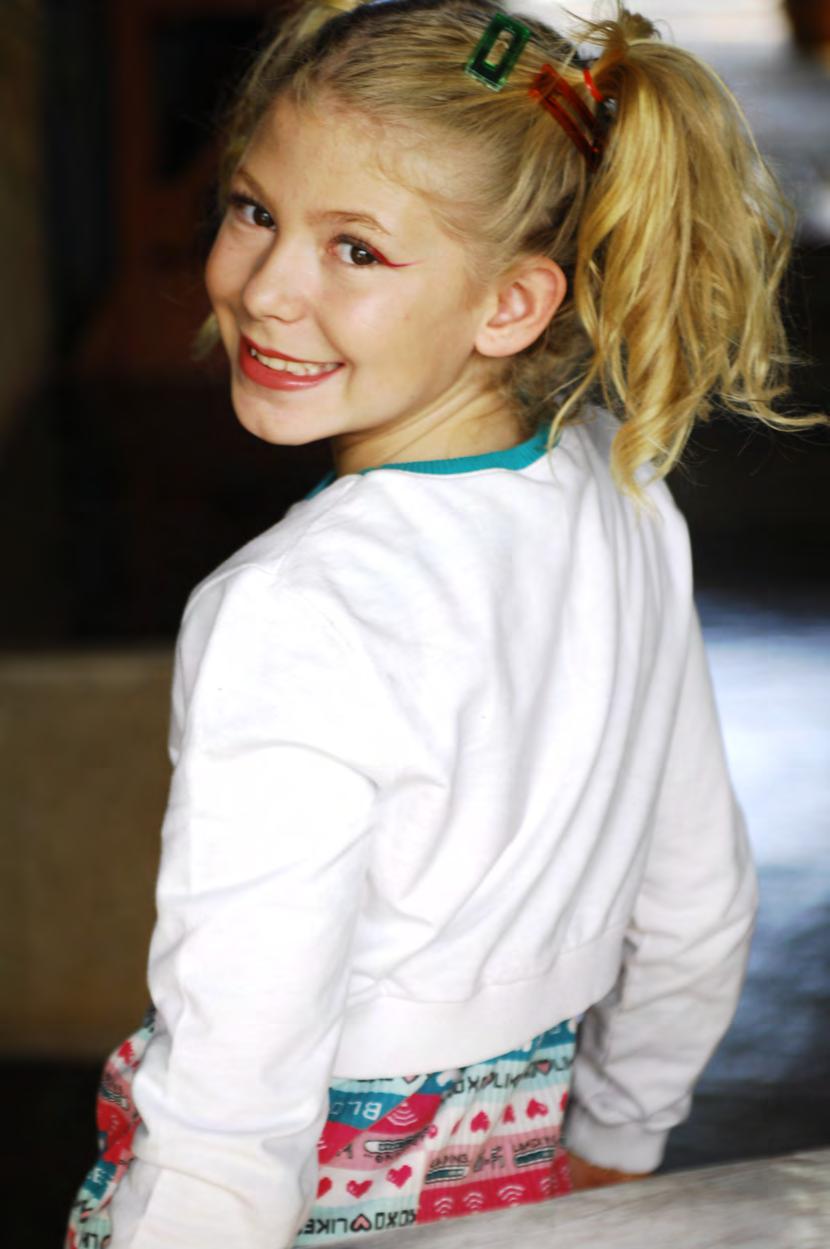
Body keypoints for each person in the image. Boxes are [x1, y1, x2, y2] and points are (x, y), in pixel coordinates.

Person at [65, 1, 824, 1246]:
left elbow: (233, 1083)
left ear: (512, 303)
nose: (265, 287)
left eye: (355, 249)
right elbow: (696, 899)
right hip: (517, 1176)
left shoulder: (292, 608)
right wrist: (619, 1139)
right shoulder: (622, 492)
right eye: (254, 210)